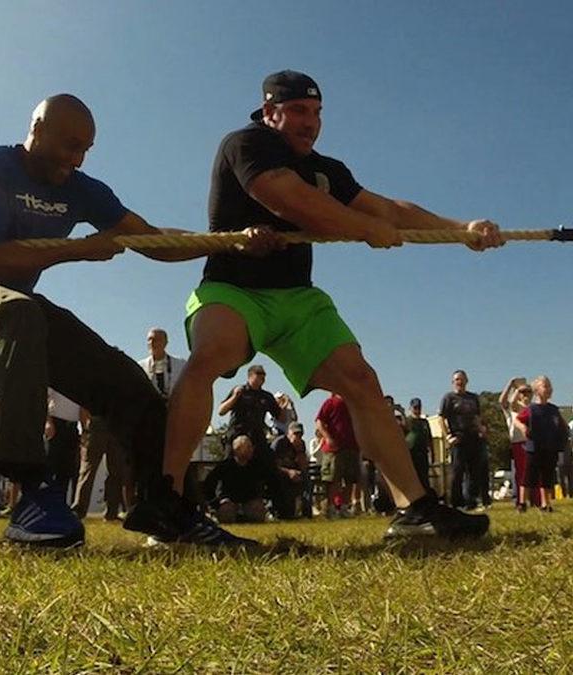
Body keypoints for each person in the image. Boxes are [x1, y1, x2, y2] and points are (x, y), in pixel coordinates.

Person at [0, 94, 267, 547]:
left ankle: (164, 507)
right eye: (69, 145)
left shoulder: (82, 189)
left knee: (129, 384)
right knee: (19, 311)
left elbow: (150, 238)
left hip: (19, 314)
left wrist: (227, 242)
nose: (77, 159)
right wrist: (78, 249)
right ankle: (32, 493)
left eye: (85, 149)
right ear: (37, 129)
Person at [162, 70, 498, 539]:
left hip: (298, 297)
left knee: (361, 380)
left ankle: (415, 509)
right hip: (232, 288)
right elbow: (286, 198)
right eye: (299, 110)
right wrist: (363, 228)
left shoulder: (326, 169)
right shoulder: (246, 143)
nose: (311, 122)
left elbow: (388, 210)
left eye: (317, 112)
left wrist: (461, 229)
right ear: (269, 111)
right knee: (209, 356)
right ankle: (166, 503)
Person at [439, 370, 489, 510]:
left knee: (474, 472)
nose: (459, 382)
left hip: (473, 437)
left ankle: (471, 501)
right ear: (453, 382)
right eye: (456, 379)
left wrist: (481, 430)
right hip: (458, 438)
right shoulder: (449, 398)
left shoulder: (473, 398)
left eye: (462, 379)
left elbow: (477, 416)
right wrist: (448, 436)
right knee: (457, 471)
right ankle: (456, 503)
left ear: (466, 381)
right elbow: (441, 418)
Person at [517, 376, 567, 512]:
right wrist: (523, 427)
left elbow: (562, 424)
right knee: (529, 475)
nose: (549, 389)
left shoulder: (554, 409)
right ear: (536, 390)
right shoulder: (531, 409)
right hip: (534, 447)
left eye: (550, 386)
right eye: (545, 386)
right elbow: (518, 420)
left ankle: (546, 504)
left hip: (550, 446)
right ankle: (522, 503)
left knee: (548, 476)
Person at [202, 436, 274, 523]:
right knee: (226, 513)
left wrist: (263, 500)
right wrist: (215, 503)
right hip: (228, 500)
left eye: (251, 447)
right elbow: (208, 484)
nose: (251, 450)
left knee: (257, 512)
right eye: (248, 447)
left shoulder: (256, 466)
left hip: (249, 500)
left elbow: (269, 482)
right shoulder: (225, 466)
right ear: (237, 449)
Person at [217, 364, 281, 458]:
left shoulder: (266, 396)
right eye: (258, 374)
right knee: (231, 464)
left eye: (263, 375)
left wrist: (286, 404)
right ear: (250, 376)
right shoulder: (240, 390)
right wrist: (235, 397)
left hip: (256, 438)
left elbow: (279, 415)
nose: (262, 378)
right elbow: (221, 411)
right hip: (237, 435)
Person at [316, 392, 360, 518]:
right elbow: (319, 421)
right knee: (333, 479)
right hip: (334, 448)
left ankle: (344, 507)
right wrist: (327, 437)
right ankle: (330, 508)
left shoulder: (353, 403)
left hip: (352, 446)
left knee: (350, 479)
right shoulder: (330, 402)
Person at [499, 378, 532, 511]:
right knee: (521, 473)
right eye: (523, 392)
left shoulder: (532, 408)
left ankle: (535, 500)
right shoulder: (512, 409)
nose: (526, 394)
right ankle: (520, 500)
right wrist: (512, 385)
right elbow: (503, 401)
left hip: (532, 442)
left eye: (528, 392)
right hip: (518, 443)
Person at [269, 421, 309, 519]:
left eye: (300, 435)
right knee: (281, 480)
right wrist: (288, 472)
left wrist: (300, 452)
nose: (297, 437)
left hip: (294, 473)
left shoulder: (301, 444)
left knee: (306, 480)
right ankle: (277, 510)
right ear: (289, 432)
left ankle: (306, 512)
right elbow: (272, 466)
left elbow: (303, 467)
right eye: (295, 434)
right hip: (279, 473)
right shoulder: (279, 443)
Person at [138, 328, 185, 399]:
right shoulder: (140, 367)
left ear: (165, 343)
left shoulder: (180, 364)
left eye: (156, 339)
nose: (151, 343)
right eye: (149, 340)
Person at [404, 397, 434, 494]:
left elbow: (430, 438)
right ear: (410, 408)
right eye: (415, 407)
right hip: (411, 453)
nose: (417, 410)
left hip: (423, 453)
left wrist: (432, 454)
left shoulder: (424, 422)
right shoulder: (407, 421)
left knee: (424, 478)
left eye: (419, 407)